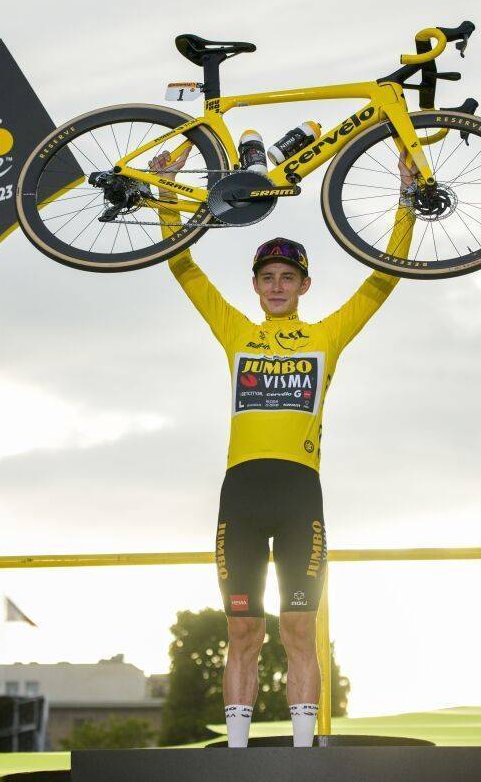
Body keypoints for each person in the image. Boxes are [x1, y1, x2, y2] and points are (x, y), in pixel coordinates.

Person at [150, 146, 415, 748]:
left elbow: (385, 276)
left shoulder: (326, 336)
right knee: (242, 631)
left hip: (299, 494)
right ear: (255, 286)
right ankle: (237, 755)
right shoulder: (237, 332)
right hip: (242, 494)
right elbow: (183, 266)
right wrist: (167, 193)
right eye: (267, 278)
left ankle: (302, 755)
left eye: (286, 278)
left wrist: (406, 200)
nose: (276, 286)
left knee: (299, 626)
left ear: (303, 285)